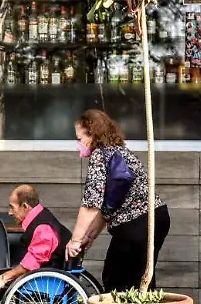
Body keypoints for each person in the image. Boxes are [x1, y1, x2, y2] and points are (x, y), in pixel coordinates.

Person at [65, 109, 170, 292]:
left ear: (93, 134)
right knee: (142, 276)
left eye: (80, 139)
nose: (78, 145)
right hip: (156, 216)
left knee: (116, 277)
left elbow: (91, 203)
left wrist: (75, 241)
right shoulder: (120, 151)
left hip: (136, 223)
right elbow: (109, 206)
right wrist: (90, 236)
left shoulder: (100, 155)